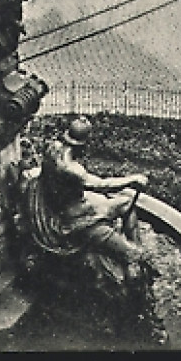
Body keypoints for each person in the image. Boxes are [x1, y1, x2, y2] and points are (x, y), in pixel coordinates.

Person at [25, 116, 153, 284]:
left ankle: (134, 253)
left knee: (127, 203)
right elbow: (102, 185)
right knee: (134, 253)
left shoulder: (53, 150)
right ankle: (133, 260)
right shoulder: (72, 171)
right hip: (77, 223)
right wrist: (132, 179)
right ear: (83, 145)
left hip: (74, 208)